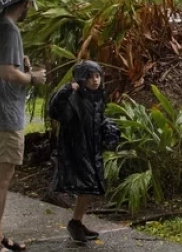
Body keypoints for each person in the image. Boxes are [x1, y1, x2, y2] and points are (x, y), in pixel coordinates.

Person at [0, 0, 46, 252]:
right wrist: (32, 77)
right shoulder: (9, 28)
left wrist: (17, 61)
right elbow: (6, 73)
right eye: (31, 3)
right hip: (5, 113)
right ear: (24, 2)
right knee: (0, 179)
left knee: (2, 177)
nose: (31, 8)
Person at [48, 60, 117, 244]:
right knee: (86, 186)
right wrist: (66, 90)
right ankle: (75, 223)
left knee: (89, 188)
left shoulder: (97, 97)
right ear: (81, 79)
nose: (95, 80)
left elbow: (98, 120)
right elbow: (55, 110)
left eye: (97, 76)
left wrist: (108, 130)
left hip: (91, 149)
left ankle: (77, 222)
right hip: (77, 150)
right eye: (89, 77)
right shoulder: (73, 98)